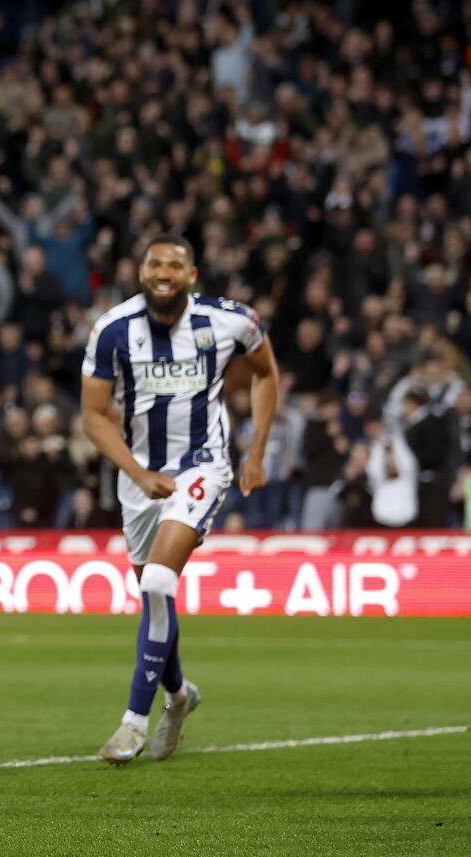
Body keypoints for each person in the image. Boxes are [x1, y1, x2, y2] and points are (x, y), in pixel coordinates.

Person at [82, 235, 278, 765]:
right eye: (154, 263)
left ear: (192, 275)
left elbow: (265, 374)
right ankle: (179, 696)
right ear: (140, 271)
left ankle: (132, 723)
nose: (163, 271)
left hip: (203, 464)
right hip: (139, 475)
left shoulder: (231, 320)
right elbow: (94, 416)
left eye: (175, 264)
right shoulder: (112, 329)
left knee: (159, 580)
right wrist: (137, 472)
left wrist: (255, 452)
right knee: (153, 596)